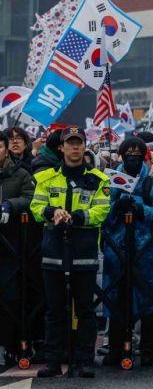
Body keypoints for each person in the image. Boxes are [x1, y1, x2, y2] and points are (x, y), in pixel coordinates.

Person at [30, 127, 110, 378]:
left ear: (84, 146)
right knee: (54, 308)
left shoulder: (99, 179)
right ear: (61, 147)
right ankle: (54, 360)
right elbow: (36, 206)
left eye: (79, 143)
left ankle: (84, 360)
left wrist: (75, 217)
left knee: (85, 309)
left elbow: (101, 212)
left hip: (84, 249)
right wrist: (51, 213)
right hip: (54, 249)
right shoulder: (45, 178)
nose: (75, 147)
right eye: (70, 143)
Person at [101, 137, 153, 367]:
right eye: (127, 151)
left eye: (136, 152)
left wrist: (140, 209)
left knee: (147, 303)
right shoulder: (110, 183)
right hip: (117, 250)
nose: (132, 155)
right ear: (121, 156)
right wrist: (115, 208)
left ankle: (148, 349)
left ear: (144, 156)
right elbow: (100, 214)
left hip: (146, 252)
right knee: (115, 300)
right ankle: (115, 349)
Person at [0, 131, 35, 365]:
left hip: (10, 244)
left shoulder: (20, 174)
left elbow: (31, 198)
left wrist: (9, 205)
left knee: (9, 295)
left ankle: (9, 344)